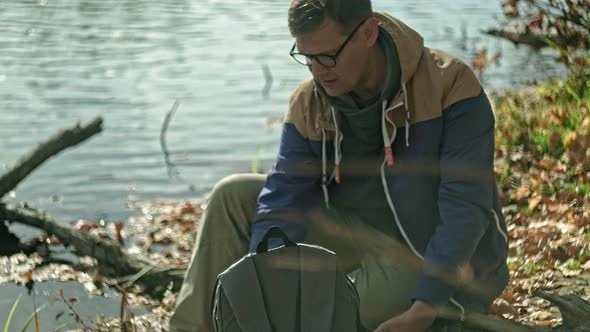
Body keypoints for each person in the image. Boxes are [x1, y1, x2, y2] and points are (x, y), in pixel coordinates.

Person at [170, 0, 510, 331]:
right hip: (352, 240)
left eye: (329, 56)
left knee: (318, 311)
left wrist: (425, 307)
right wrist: (269, 280)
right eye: (307, 58)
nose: (319, 71)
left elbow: (465, 209)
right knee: (231, 195)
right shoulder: (309, 102)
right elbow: (284, 199)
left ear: (368, 33)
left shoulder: (449, 86)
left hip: (431, 261)